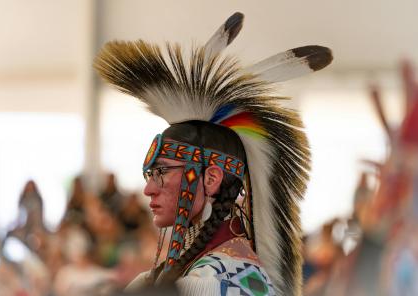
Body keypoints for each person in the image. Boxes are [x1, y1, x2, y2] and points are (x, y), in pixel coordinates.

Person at [94, 12, 332, 296]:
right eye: (149, 174)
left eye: (162, 172)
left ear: (211, 179)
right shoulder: (218, 274)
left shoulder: (212, 283)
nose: (148, 189)